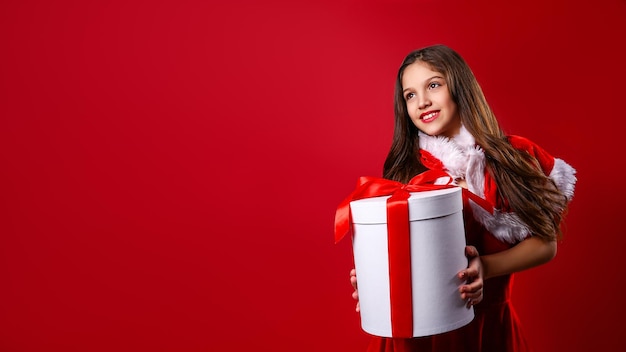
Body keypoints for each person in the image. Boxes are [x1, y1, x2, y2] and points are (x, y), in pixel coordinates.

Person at [348, 44, 577, 352]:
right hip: (413, 334)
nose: (422, 101)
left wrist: (486, 266)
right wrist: (374, 279)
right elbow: (400, 255)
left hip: (486, 331)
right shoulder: (406, 170)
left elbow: (546, 245)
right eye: (410, 95)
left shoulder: (513, 158)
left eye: (433, 85)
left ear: (459, 85)